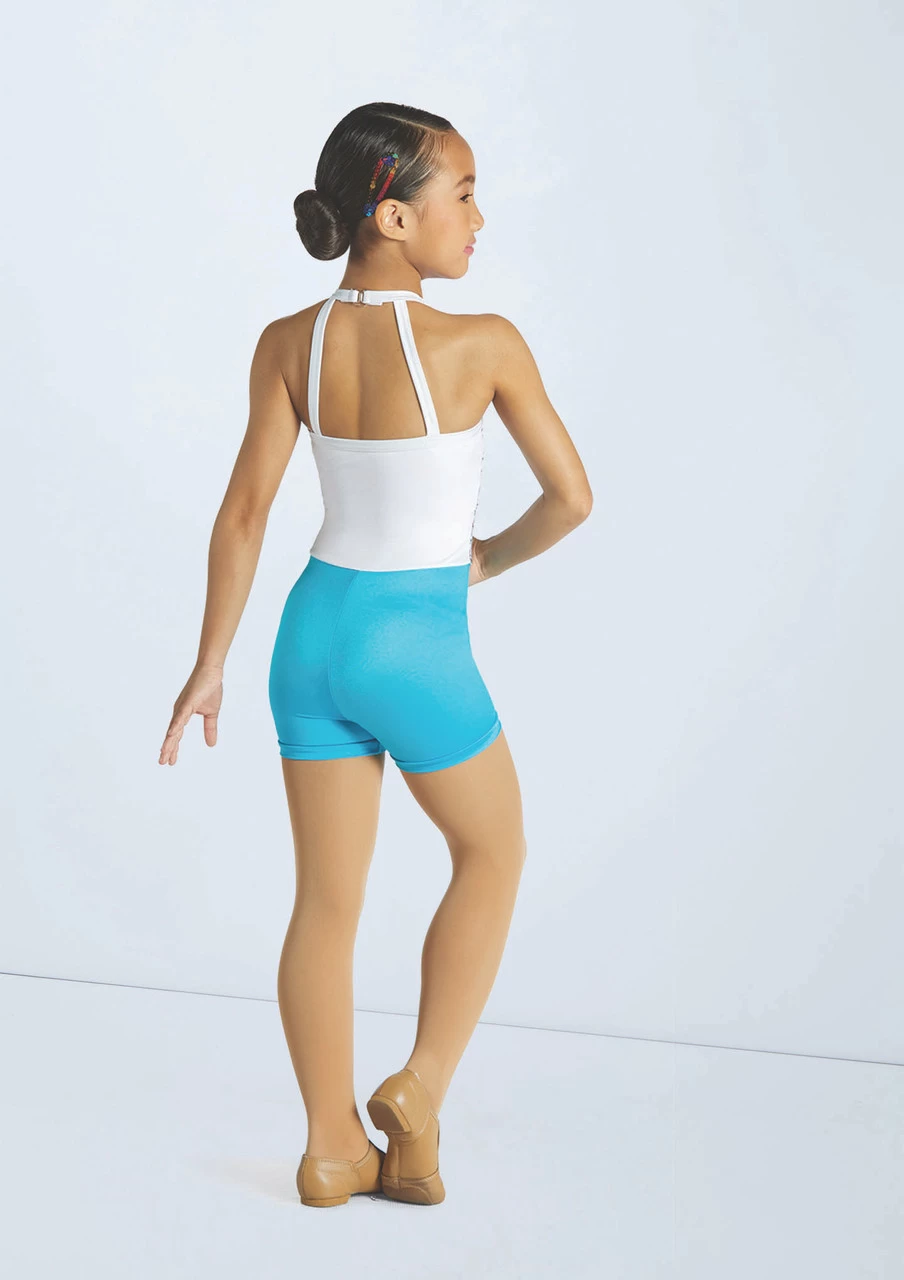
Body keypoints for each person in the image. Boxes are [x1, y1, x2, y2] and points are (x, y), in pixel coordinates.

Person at [158, 101, 592, 1208]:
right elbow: (572, 498)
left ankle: (330, 1149)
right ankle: (420, 1083)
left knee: (324, 903)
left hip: (308, 636)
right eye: (464, 196)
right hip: (414, 640)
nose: (479, 219)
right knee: (493, 852)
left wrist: (209, 662)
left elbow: (244, 514)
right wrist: (484, 559)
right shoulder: (482, 343)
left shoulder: (287, 341)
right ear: (393, 216)